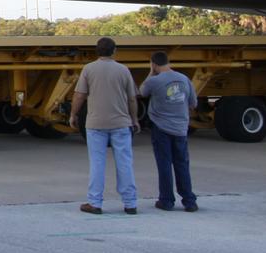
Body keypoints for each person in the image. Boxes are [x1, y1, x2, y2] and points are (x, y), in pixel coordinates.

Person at [71, 36, 139, 215]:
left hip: (95, 124)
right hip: (121, 123)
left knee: (97, 163)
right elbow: (132, 98)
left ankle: (95, 202)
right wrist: (134, 119)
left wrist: (73, 114)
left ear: (97, 51)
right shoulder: (123, 70)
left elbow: (79, 95)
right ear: (114, 51)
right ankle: (130, 203)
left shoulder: (89, 69)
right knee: (125, 162)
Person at [140, 51, 199, 212]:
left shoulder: (154, 81)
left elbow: (142, 92)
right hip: (181, 129)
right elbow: (193, 103)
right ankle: (189, 200)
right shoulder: (184, 79)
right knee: (182, 164)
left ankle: (166, 200)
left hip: (161, 128)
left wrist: (151, 73)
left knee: (164, 164)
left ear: (153, 64)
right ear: (168, 61)